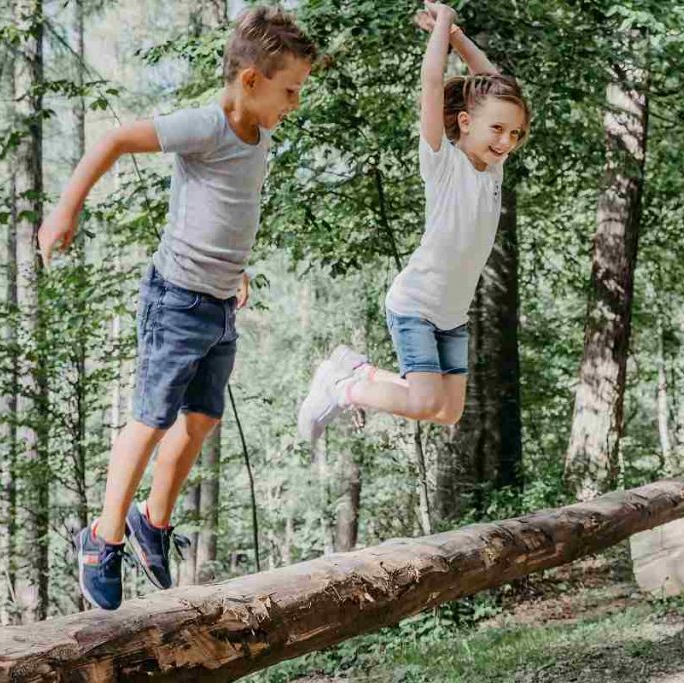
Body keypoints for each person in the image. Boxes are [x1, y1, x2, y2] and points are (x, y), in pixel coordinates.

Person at [38, 7, 317, 610]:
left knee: (202, 417)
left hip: (219, 304)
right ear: (250, 80)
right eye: (289, 90)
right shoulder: (206, 125)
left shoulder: (259, 132)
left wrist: (236, 271)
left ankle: (150, 522)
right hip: (177, 300)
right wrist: (65, 211)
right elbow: (115, 139)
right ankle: (102, 535)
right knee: (153, 417)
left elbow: (229, 208)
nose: (294, 103)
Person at [298, 1, 529, 443]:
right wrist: (442, 26)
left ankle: (356, 370)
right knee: (424, 401)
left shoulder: (492, 170)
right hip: (416, 306)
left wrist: (460, 37)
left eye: (514, 134)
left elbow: (501, 86)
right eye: (498, 129)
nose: (507, 141)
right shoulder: (442, 163)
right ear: (464, 122)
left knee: (448, 412)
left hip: (452, 316)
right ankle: (342, 386)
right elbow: (432, 80)